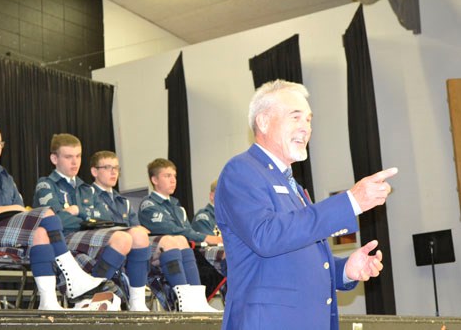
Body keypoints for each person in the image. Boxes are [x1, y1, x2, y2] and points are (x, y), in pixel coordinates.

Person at [214, 80, 398, 330]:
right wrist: (350, 201)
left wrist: (345, 270)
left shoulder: (294, 187)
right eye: (296, 117)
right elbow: (266, 236)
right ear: (264, 121)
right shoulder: (241, 171)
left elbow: (298, 255)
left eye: (309, 120)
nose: (306, 128)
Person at [0, 123, 105, 310]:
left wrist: (9, 209)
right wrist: (11, 209)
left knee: (41, 234)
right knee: (46, 213)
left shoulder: (5, 176)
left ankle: (48, 302)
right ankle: (73, 274)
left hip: (8, 230)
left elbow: (19, 208)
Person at [33, 134, 149, 311]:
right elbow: (57, 220)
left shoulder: (86, 189)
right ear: (54, 159)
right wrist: (88, 219)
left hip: (85, 236)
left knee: (134, 237)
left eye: (78, 156)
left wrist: (79, 211)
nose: (74, 162)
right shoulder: (46, 185)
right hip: (61, 240)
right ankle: (90, 293)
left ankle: (129, 302)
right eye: (68, 157)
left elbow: (105, 219)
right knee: (122, 238)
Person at [138, 158, 223, 312]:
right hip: (156, 254)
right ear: (154, 180)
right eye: (167, 176)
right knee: (176, 239)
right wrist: (205, 237)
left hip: (179, 252)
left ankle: (197, 299)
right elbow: (171, 229)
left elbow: (186, 232)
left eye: (174, 176)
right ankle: (184, 300)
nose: (173, 180)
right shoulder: (149, 205)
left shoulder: (177, 207)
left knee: (185, 243)